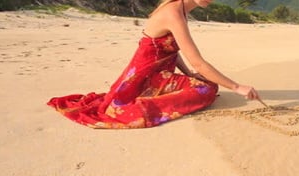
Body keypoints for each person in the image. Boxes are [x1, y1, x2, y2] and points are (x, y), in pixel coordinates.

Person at [47, 0, 260, 129]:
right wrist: (237, 87)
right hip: (143, 78)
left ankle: (156, 96)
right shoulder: (172, 13)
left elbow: (171, 51)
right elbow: (199, 62)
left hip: (157, 74)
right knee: (207, 88)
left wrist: (189, 73)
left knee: (203, 84)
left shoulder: (180, 11)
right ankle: (145, 105)